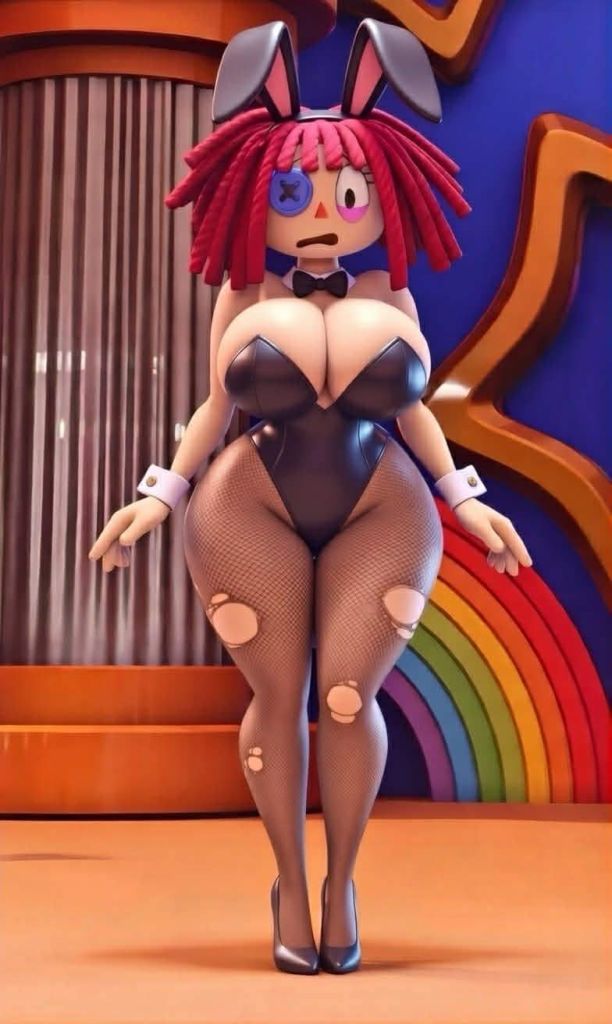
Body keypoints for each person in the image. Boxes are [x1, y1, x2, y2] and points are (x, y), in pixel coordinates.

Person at [88, 19, 532, 975]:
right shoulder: (246, 293)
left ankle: (342, 881)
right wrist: (160, 495)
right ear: (258, 196)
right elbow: (215, 407)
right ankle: (290, 880)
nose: (324, 213)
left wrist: (465, 499)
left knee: (345, 692)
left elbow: (414, 412)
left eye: (349, 193)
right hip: (249, 504)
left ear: (385, 196)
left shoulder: (391, 295)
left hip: (384, 503)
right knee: (280, 692)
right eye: (294, 194)